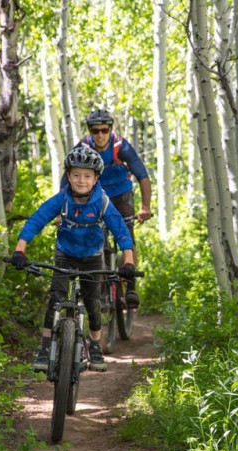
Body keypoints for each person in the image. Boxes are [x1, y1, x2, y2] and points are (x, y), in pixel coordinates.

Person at [10, 146, 136, 372]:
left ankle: (95, 344)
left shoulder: (103, 202)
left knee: (93, 304)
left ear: (96, 178)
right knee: (55, 299)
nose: (81, 180)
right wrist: (20, 250)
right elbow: (37, 220)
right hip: (65, 255)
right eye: (76, 175)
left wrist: (128, 261)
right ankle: (46, 347)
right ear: (68, 176)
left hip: (92, 258)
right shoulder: (62, 199)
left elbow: (121, 230)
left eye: (87, 176)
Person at [68, 109, 152, 309]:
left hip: (121, 193)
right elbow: (67, 179)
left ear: (110, 129)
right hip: (96, 196)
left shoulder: (120, 146)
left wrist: (145, 206)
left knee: (126, 235)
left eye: (104, 130)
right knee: (98, 241)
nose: (100, 135)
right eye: (95, 130)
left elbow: (142, 175)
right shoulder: (84, 146)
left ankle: (130, 286)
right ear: (90, 131)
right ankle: (104, 293)